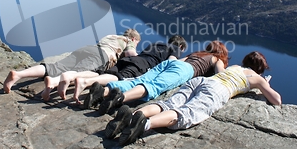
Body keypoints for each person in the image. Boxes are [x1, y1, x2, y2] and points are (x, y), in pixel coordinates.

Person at [107, 51, 282, 146]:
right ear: (261, 68)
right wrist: (265, 84)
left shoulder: (236, 66)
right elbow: (276, 100)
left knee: (167, 103)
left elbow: (221, 73)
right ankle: (145, 124)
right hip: (218, 91)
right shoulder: (257, 78)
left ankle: (130, 117)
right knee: (185, 113)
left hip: (202, 81)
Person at [87, 40, 229, 115]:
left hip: (170, 63)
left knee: (140, 80)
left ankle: (103, 92)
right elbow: (220, 74)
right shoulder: (217, 59)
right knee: (154, 86)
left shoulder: (198, 54)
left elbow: (179, 61)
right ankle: (120, 98)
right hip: (186, 70)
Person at [3, 29, 141, 101]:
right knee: (84, 72)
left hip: (87, 49)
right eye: (137, 43)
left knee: (55, 66)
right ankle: (52, 83)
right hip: (101, 56)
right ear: (134, 38)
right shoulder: (129, 41)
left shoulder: (112, 36)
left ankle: (19, 74)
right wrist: (138, 54)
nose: (135, 44)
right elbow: (131, 55)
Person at [74, 35, 188, 105]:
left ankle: (78, 78)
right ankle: (86, 82)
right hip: (144, 65)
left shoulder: (156, 44)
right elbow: (171, 62)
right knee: (120, 77)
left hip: (133, 59)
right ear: (181, 47)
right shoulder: (176, 49)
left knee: (107, 73)